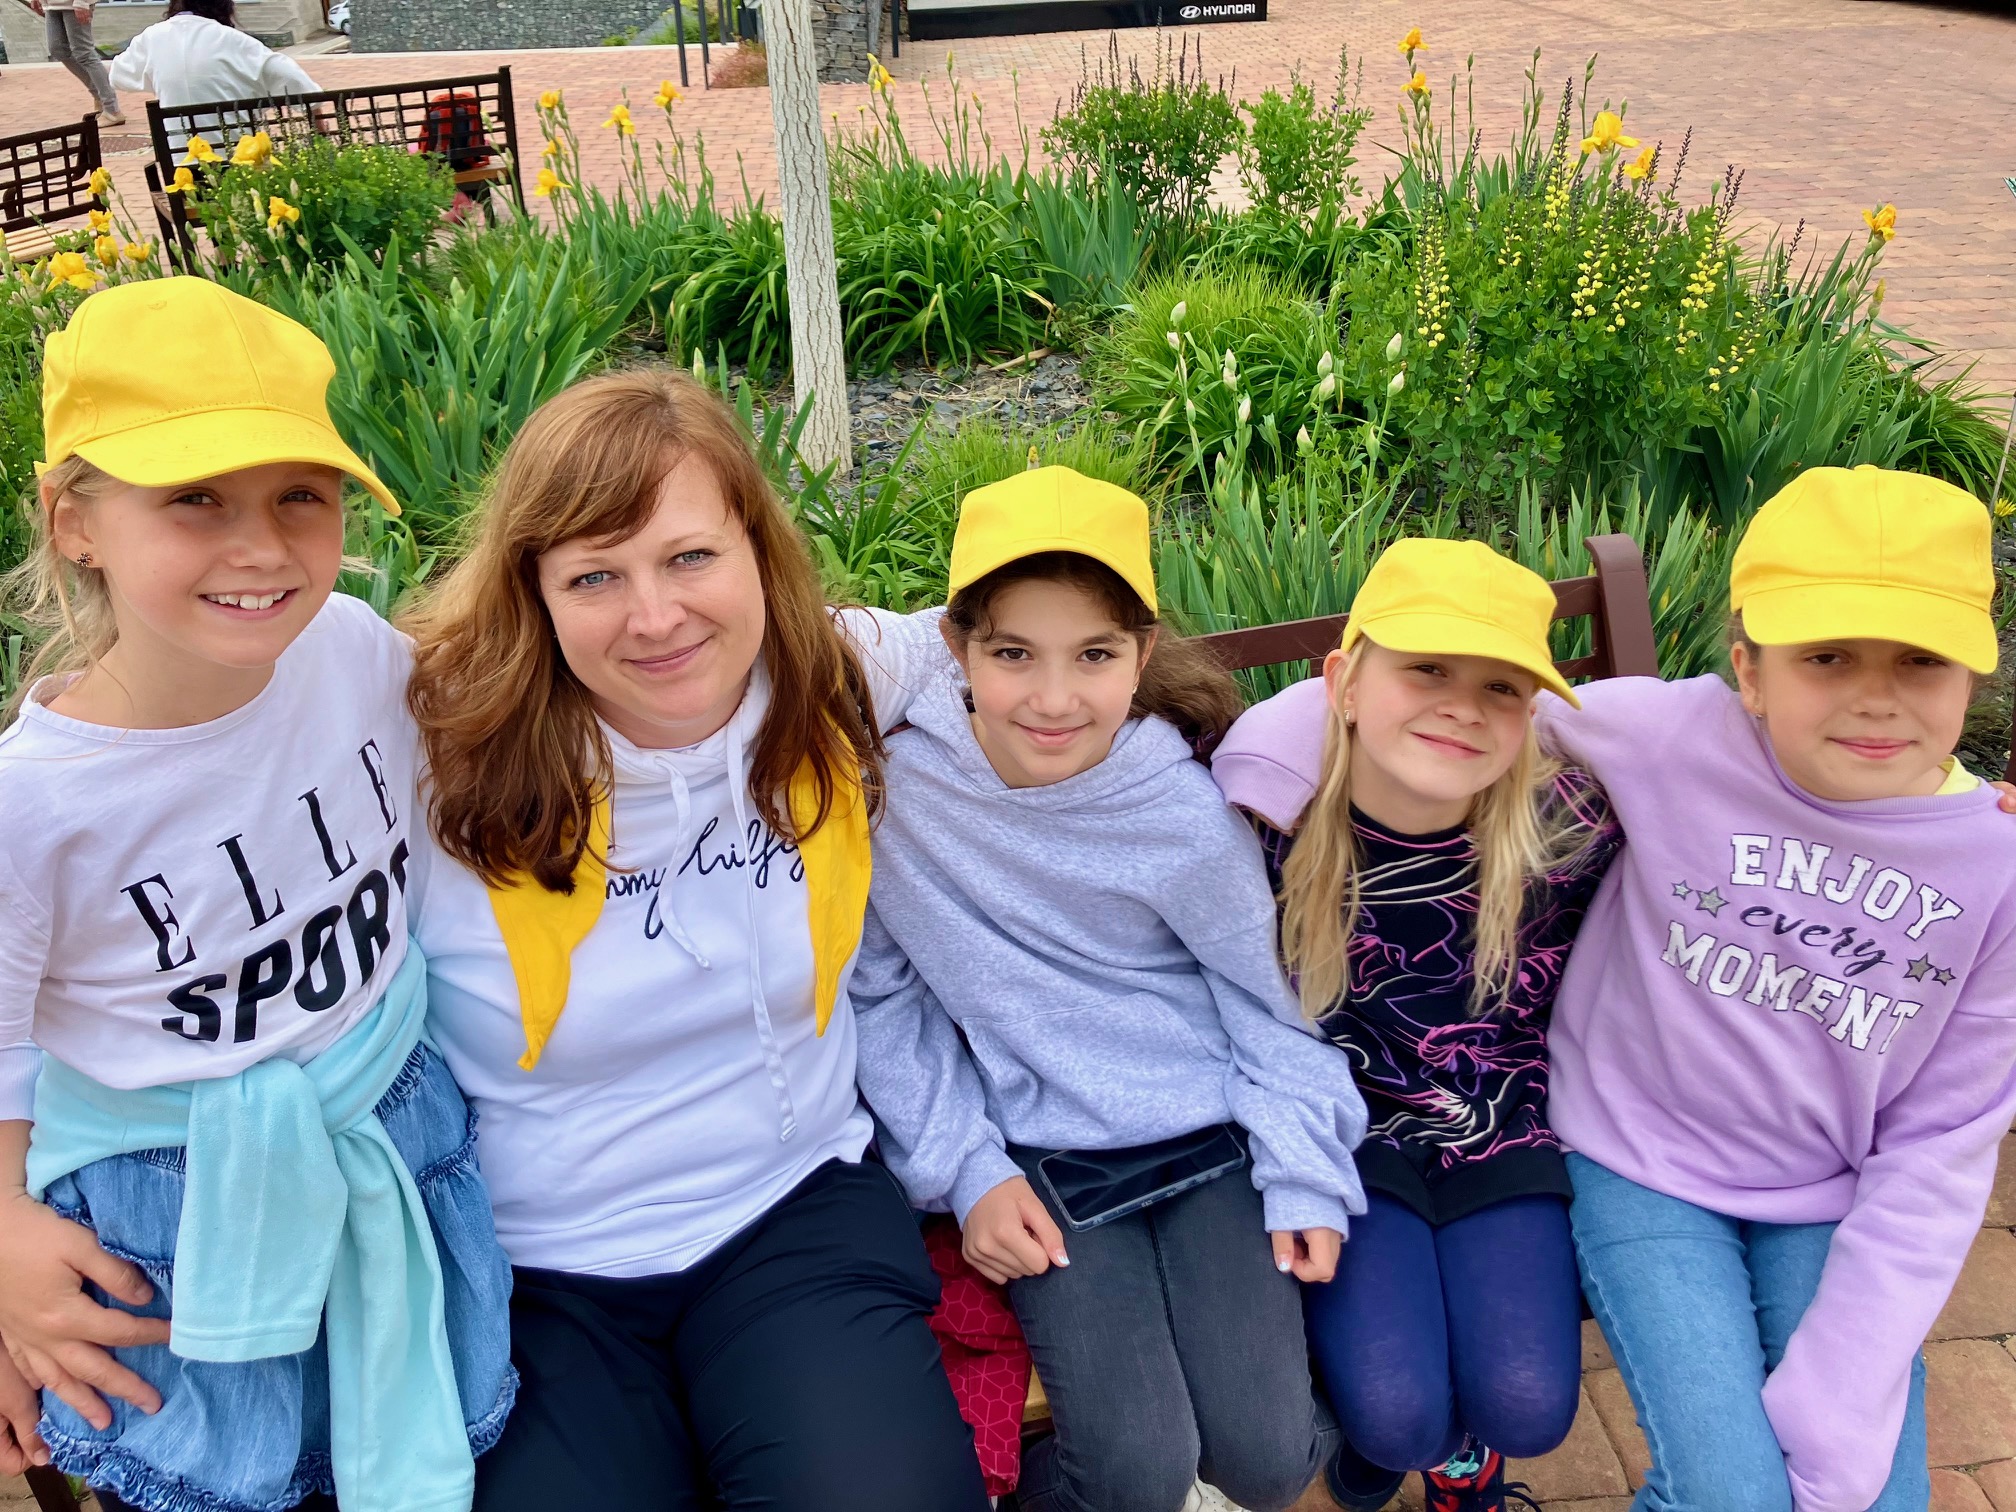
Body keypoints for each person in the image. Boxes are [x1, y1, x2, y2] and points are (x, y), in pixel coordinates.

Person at [1214, 467, 2016, 1512]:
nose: (1875, 695)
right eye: (1827, 655)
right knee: (1696, 1485)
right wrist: (1263, 770)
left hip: (1827, 1190)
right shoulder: (1670, 736)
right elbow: (1411, 709)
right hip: (1635, 1156)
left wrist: (1838, 1421)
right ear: (1750, 671)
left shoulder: (1992, 866)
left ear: (1972, 679)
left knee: (1867, 1493)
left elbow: (1946, 1142)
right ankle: (1394, 1450)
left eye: (1921, 659)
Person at [400, 369, 992, 1512]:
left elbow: (994, 644)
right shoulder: (440, 750)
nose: (656, 616)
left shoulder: (825, 678)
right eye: (595, 576)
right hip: (541, 1268)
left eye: (689, 557)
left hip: (792, 1209)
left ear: (755, 547)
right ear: (534, 592)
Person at [0, 278, 516, 1512]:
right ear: (75, 522)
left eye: (301, 494)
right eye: (195, 498)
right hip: (176, 1223)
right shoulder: (36, 805)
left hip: (393, 1136)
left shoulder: (350, 651)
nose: (263, 548)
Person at [851, 468, 1368, 1512]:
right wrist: (966, 1170)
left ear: (1141, 652)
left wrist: (1306, 1172)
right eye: (1013, 654)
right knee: (1136, 1475)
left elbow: (1269, 1005)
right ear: (954, 649)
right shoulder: (896, 797)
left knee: (1269, 1464)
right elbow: (882, 996)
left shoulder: (1178, 813)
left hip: (1213, 1138)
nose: (1054, 699)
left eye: (1093, 655)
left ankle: (1364, 1444)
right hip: (1045, 1160)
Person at [1214, 540, 1620, 1512]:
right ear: (1345, 685)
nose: (1462, 706)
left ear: (1531, 714)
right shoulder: (1268, 821)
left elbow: (1730, 795)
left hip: (1502, 1120)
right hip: (1343, 1125)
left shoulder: (1568, 825)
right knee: (1397, 1412)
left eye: (1500, 686)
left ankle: (1456, 1455)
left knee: (1527, 1406)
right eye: (1427, 668)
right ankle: (1394, 1448)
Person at [109, 0, 318, 147]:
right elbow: (292, 78)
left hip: (182, 170)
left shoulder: (152, 37)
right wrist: (316, 114)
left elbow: (117, 75)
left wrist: (163, 77)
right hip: (240, 163)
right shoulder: (235, 41)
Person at [30, 0, 123, 125]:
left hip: (74, 4)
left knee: (85, 53)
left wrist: (82, 2)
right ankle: (99, 96)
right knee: (58, 50)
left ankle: (112, 110)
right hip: (51, 5)